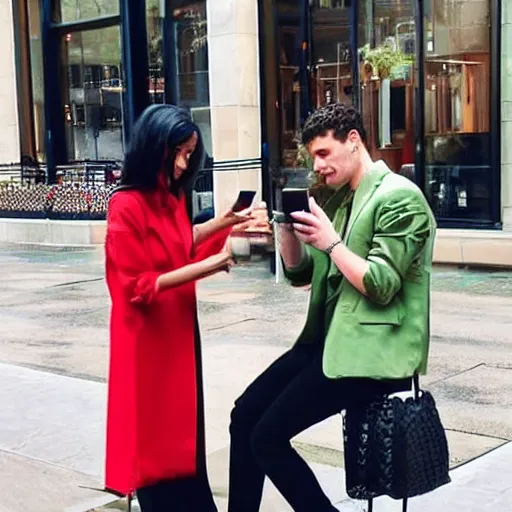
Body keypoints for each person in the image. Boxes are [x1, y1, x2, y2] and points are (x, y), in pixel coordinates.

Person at [227, 103, 436, 512]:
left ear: (353, 141)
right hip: (329, 341)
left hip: (372, 351)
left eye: (323, 154)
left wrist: (331, 242)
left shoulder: (399, 198)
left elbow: (382, 283)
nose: (317, 166)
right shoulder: (340, 201)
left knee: (266, 437)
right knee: (244, 415)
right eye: (313, 157)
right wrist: (284, 231)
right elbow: (302, 275)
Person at [105, 104, 251, 511]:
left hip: (179, 330)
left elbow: (180, 242)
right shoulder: (126, 205)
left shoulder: (169, 196)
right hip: (148, 341)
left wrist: (225, 222)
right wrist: (213, 263)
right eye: (180, 152)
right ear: (157, 147)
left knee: (186, 431)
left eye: (190, 153)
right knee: (156, 439)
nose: (186, 163)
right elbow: (138, 286)